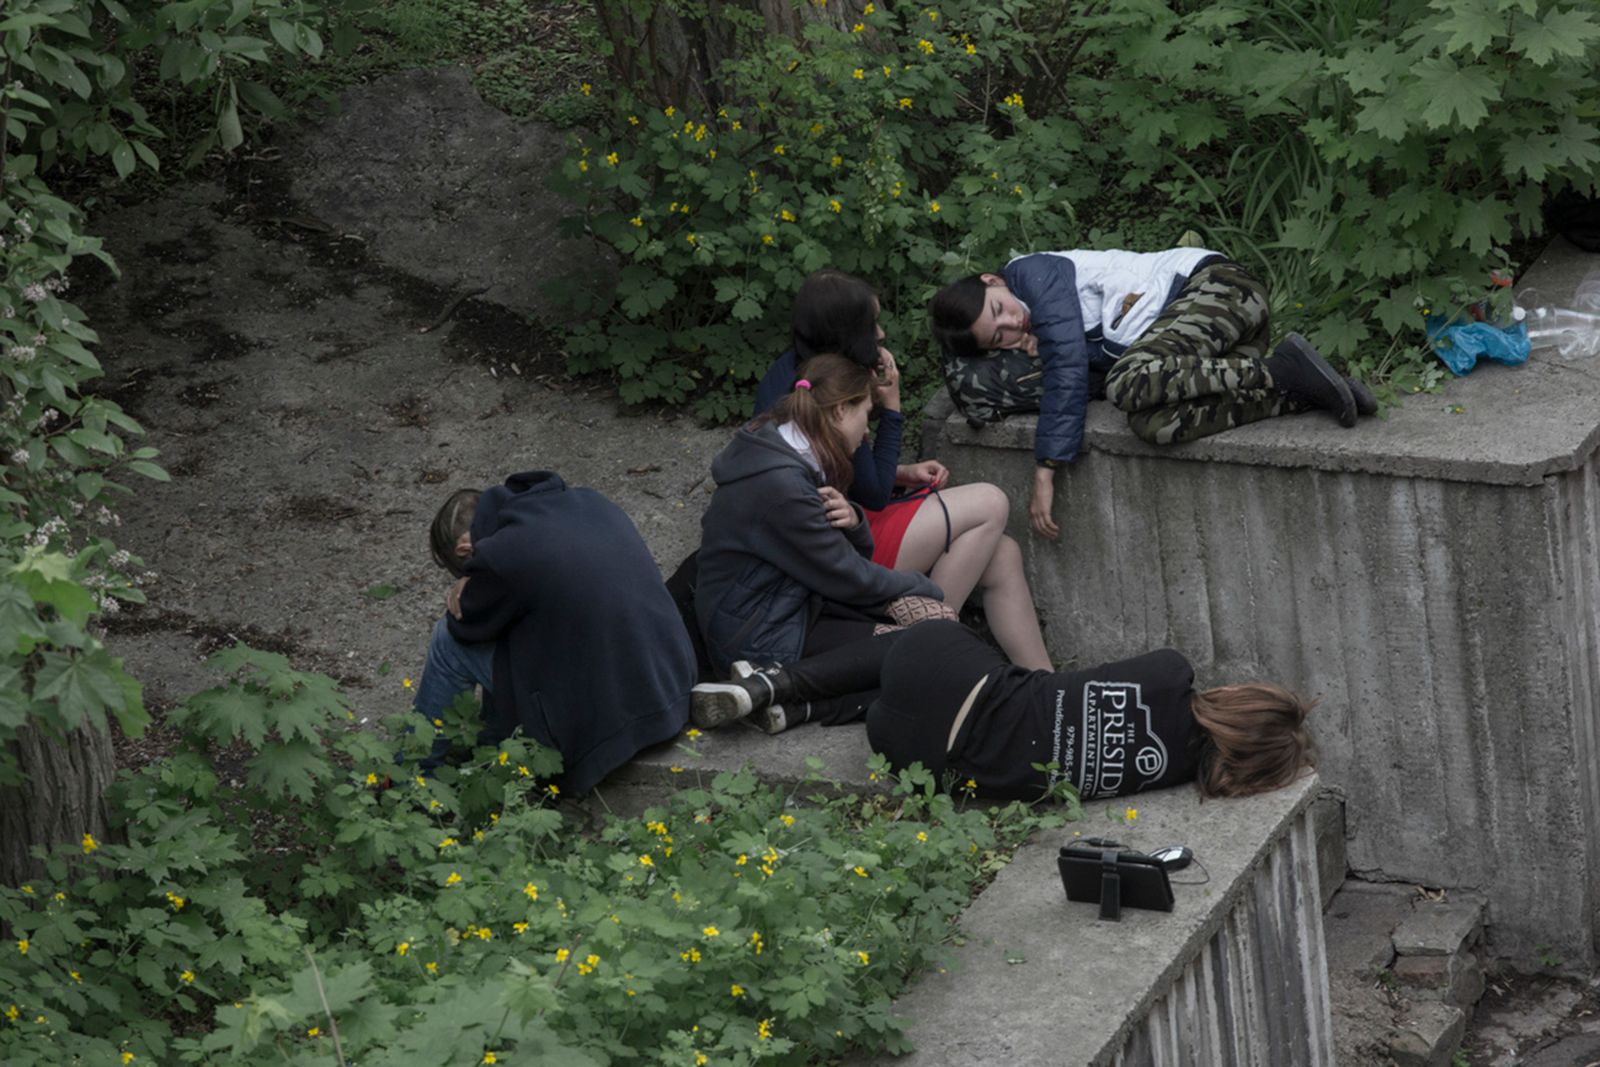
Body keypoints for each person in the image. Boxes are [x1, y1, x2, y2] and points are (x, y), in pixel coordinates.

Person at [929, 247, 1378, 540]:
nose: (1012, 326)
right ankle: (1302, 389)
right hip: (1205, 348)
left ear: (993, 280)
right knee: (1153, 424)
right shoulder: (1038, 329)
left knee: (1129, 382)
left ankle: (1281, 369)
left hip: (1221, 290)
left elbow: (1072, 361)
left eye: (999, 311)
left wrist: (1046, 468)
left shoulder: (1032, 273)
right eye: (999, 339)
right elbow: (1092, 381)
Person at [756, 269, 1051, 669]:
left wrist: (902, 472)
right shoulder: (830, 389)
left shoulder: (791, 370)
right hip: (839, 553)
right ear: (845, 331)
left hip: (838, 526)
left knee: (1002, 552)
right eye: (870, 324)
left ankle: (1041, 683)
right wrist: (892, 407)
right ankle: (918, 648)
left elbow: (839, 471)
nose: (879, 335)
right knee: (990, 502)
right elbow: (873, 494)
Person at [702, 620, 1316, 801]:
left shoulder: (1171, 672)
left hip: (938, 681)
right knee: (923, 692)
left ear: (1238, 699)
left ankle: (775, 684)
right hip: (912, 755)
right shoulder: (1178, 776)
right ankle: (803, 713)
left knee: (935, 629)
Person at [695, 352, 949, 730]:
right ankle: (776, 688)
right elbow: (851, 578)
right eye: (866, 414)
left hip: (789, 608)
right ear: (839, 412)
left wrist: (854, 522)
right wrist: (926, 586)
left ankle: (792, 706)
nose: (866, 433)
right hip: (760, 636)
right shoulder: (783, 484)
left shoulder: (785, 450)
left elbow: (845, 562)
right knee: (930, 653)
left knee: (936, 630)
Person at [409, 472, 695, 794]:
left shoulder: (502, 554)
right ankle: (492, 739)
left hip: (611, 727)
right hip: (672, 691)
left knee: (447, 642)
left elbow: (468, 626)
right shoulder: (590, 502)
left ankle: (412, 774)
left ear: (465, 550)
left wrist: (469, 584)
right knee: (519, 627)